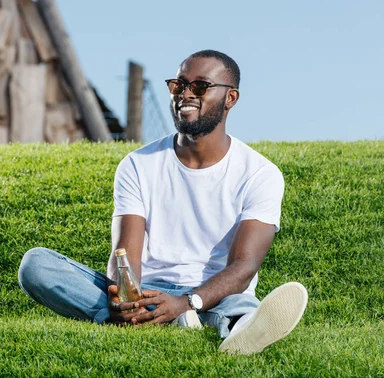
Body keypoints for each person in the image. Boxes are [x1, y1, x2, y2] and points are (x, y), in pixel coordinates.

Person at [18, 50, 308, 354]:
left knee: (239, 302)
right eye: (178, 85)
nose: (185, 94)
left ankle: (228, 322)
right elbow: (125, 255)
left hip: (211, 294)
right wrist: (124, 300)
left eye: (199, 87)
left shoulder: (261, 173)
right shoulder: (137, 164)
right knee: (37, 266)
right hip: (148, 292)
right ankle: (202, 324)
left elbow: (243, 266)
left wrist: (186, 301)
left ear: (230, 98)